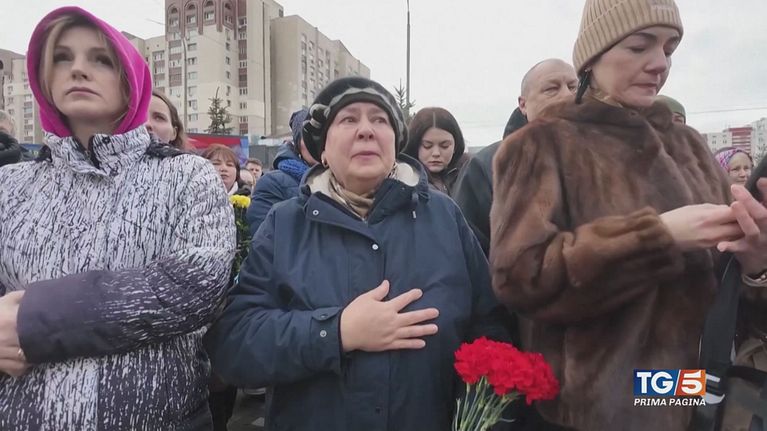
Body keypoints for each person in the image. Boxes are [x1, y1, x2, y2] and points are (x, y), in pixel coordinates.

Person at [490, 0, 767, 429]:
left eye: (669, 49)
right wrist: (656, 237)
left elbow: (725, 285)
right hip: (602, 410)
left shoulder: (690, 146)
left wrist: (754, 263)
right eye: (639, 46)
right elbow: (519, 277)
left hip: (695, 393)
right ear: (592, 56)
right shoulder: (542, 145)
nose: (660, 64)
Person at [206, 76, 508, 431]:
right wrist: (335, 332)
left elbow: (491, 326)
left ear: (395, 143)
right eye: (348, 119)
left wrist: (479, 416)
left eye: (380, 120)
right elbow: (234, 343)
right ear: (322, 149)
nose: (366, 130)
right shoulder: (285, 224)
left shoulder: (444, 217)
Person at [0, 7, 235, 430]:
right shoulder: (10, 186)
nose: (78, 69)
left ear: (131, 79)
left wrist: (37, 318)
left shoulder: (185, 174)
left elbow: (196, 284)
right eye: (62, 57)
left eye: (101, 60)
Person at [454, 59, 576, 255]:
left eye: (573, 87)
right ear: (523, 104)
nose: (567, 96)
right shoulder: (487, 166)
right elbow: (466, 250)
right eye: (552, 89)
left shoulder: (604, 160)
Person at [245, 107, 318, 234]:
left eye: (322, 136)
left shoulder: (344, 179)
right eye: (308, 136)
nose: (317, 143)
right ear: (297, 144)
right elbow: (266, 238)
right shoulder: (272, 183)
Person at [403, 107, 468, 196]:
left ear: (455, 146)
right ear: (415, 145)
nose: (436, 153)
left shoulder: (469, 175)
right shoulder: (403, 182)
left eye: (444, 146)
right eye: (427, 146)